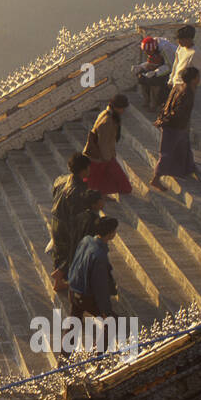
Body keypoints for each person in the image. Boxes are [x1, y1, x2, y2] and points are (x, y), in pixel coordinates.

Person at [67, 217, 120, 350]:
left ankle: (63, 359)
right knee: (112, 321)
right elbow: (100, 287)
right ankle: (98, 356)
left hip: (74, 290)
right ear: (110, 233)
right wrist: (105, 310)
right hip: (86, 295)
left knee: (74, 324)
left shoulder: (86, 240)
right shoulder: (99, 256)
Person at [150, 66, 201, 190]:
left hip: (176, 125)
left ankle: (187, 168)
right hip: (174, 126)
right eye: (198, 77)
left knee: (183, 146)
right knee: (167, 152)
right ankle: (156, 178)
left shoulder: (178, 86)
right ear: (194, 79)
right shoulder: (187, 92)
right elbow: (179, 112)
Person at [49, 153, 91, 289]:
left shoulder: (61, 180)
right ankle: (61, 273)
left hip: (56, 219)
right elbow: (78, 214)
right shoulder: (78, 190)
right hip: (66, 224)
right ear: (83, 170)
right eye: (88, 168)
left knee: (59, 251)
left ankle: (58, 281)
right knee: (74, 250)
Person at [83, 94, 133, 197]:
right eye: (121, 108)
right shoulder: (107, 122)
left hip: (102, 156)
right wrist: (108, 159)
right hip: (100, 157)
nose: (123, 111)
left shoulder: (107, 115)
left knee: (96, 182)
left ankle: (100, 195)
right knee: (122, 185)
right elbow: (103, 143)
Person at [131, 35, 177, 109]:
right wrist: (140, 67)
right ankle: (147, 100)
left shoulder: (166, 49)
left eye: (148, 52)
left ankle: (154, 103)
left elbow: (169, 67)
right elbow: (151, 62)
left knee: (154, 80)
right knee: (141, 77)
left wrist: (156, 72)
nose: (147, 53)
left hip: (172, 67)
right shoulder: (152, 47)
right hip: (162, 66)